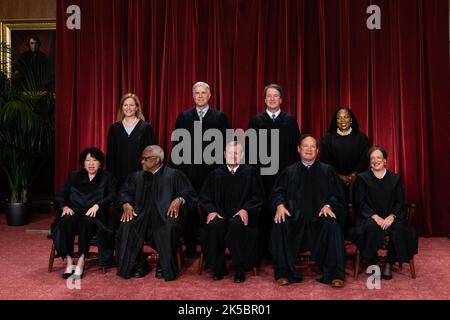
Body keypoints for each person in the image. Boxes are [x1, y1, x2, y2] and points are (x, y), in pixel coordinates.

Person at [270, 134, 346, 287]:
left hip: (319, 218)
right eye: (306, 146)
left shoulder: (327, 171)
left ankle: (335, 275)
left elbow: (338, 195)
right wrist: (279, 205)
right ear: (299, 149)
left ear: (317, 150)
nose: (309, 149)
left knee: (332, 224)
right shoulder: (289, 171)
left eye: (313, 146)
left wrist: (329, 205)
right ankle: (284, 273)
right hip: (295, 218)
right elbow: (277, 192)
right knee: (280, 223)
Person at [115, 145, 197, 281]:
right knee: (127, 224)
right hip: (140, 216)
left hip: (164, 216)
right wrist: (126, 204)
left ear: (157, 160)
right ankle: (139, 263)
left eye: (145, 159)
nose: (142, 162)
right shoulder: (136, 177)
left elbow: (190, 194)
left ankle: (163, 265)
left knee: (169, 226)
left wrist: (179, 200)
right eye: (142, 159)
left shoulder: (174, 175)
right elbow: (124, 193)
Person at [170, 81, 230, 256]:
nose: (201, 96)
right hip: (189, 171)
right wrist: (176, 172)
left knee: (210, 208)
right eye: (197, 93)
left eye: (204, 93)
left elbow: (227, 146)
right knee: (189, 209)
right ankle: (189, 246)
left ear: (210, 95)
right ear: (193, 95)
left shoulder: (220, 117)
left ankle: (209, 247)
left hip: (212, 172)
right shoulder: (184, 117)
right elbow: (177, 146)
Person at [199, 141, 265, 283]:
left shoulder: (250, 172)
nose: (233, 156)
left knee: (237, 224)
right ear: (224, 154)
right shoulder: (215, 174)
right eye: (230, 153)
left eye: (236, 153)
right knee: (214, 225)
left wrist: (246, 209)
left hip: (241, 215)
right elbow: (205, 197)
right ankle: (218, 267)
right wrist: (211, 210)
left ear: (241, 155)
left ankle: (239, 268)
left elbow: (258, 196)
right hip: (220, 214)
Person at [247, 83, 301, 258]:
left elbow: (296, 150)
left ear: (281, 99)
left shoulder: (290, 121)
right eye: (269, 96)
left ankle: (283, 251)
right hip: (262, 176)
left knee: (284, 210)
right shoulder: (256, 121)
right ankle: (262, 252)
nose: (272, 99)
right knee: (263, 212)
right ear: (264, 99)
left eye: (275, 96)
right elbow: (250, 150)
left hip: (284, 176)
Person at [350, 145, 418, 280]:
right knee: (370, 227)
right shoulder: (363, 178)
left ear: (385, 160)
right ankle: (373, 261)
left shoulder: (395, 178)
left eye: (378, 157)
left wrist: (392, 217)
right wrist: (375, 217)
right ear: (369, 161)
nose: (375, 161)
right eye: (372, 158)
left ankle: (388, 262)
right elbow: (360, 202)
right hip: (369, 216)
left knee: (400, 229)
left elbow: (400, 202)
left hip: (391, 216)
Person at [52, 147, 117, 279]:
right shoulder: (74, 176)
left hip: (95, 215)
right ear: (83, 162)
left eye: (94, 160)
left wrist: (98, 205)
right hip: (75, 211)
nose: (91, 163)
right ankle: (69, 260)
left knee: (87, 220)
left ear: (100, 163)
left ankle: (81, 259)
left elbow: (112, 196)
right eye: (88, 160)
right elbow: (61, 195)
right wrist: (64, 207)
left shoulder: (107, 177)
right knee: (66, 219)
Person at [106, 93, 156, 187]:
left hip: (140, 176)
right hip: (119, 176)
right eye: (125, 105)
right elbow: (110, 156)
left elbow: (151, 155)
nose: (128, 108)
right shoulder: (114, 128)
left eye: (131, 105)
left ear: (137, 107)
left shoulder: (146, 128)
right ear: (122, 107)